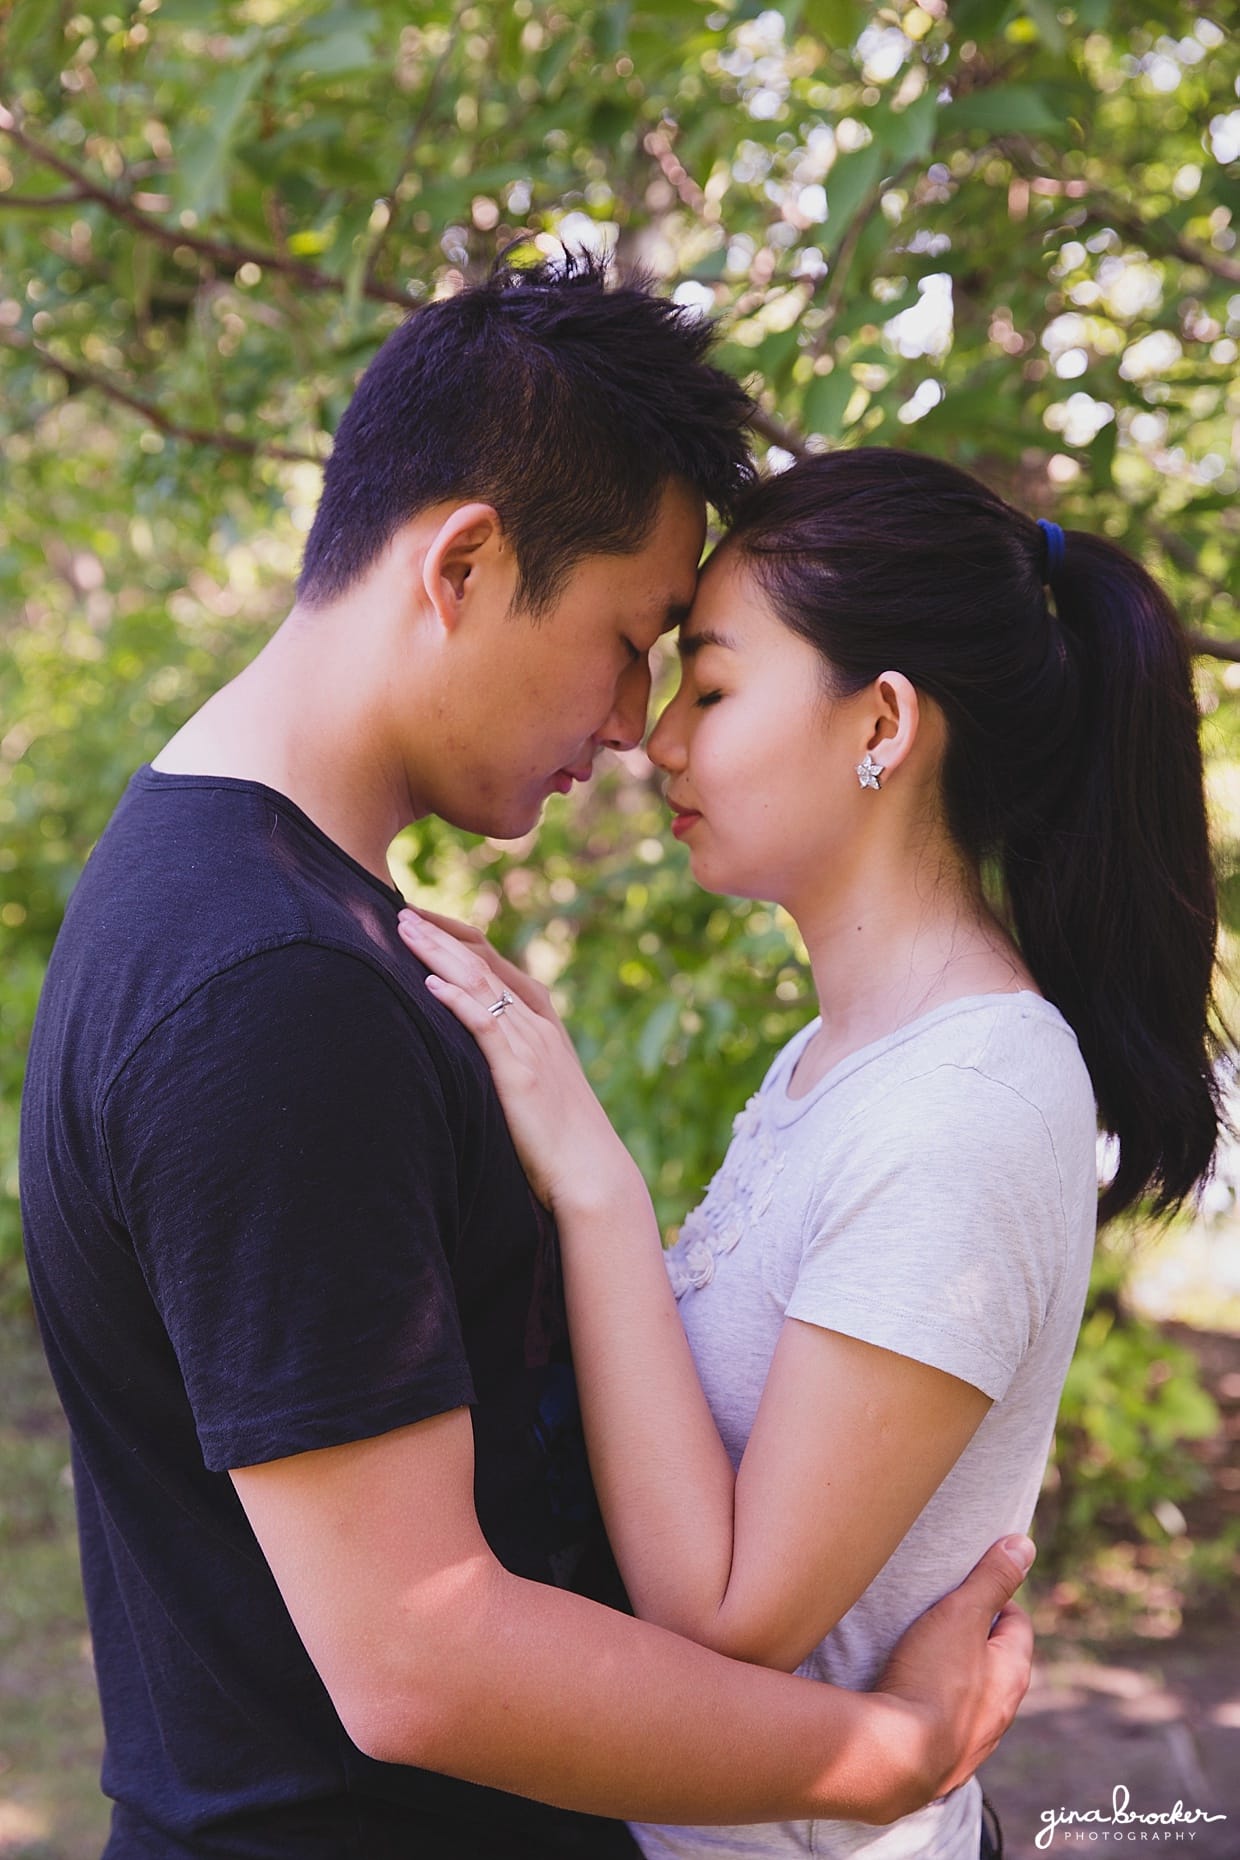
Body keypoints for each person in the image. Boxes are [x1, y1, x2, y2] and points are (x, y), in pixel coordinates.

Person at [19, 263, 1035, 1859]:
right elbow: (419, 1658)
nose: (638, 723)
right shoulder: (269, 991)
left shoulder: (259, 911)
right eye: (632, 642)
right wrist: (882, 1758)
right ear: (468, 564)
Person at [398, 445, 1225, 1860]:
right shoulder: (835, 1062)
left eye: (711, 689)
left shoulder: (973, 1101)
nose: (655, 739)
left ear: (884, 725)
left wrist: (595, 1182)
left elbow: (728, 1613)